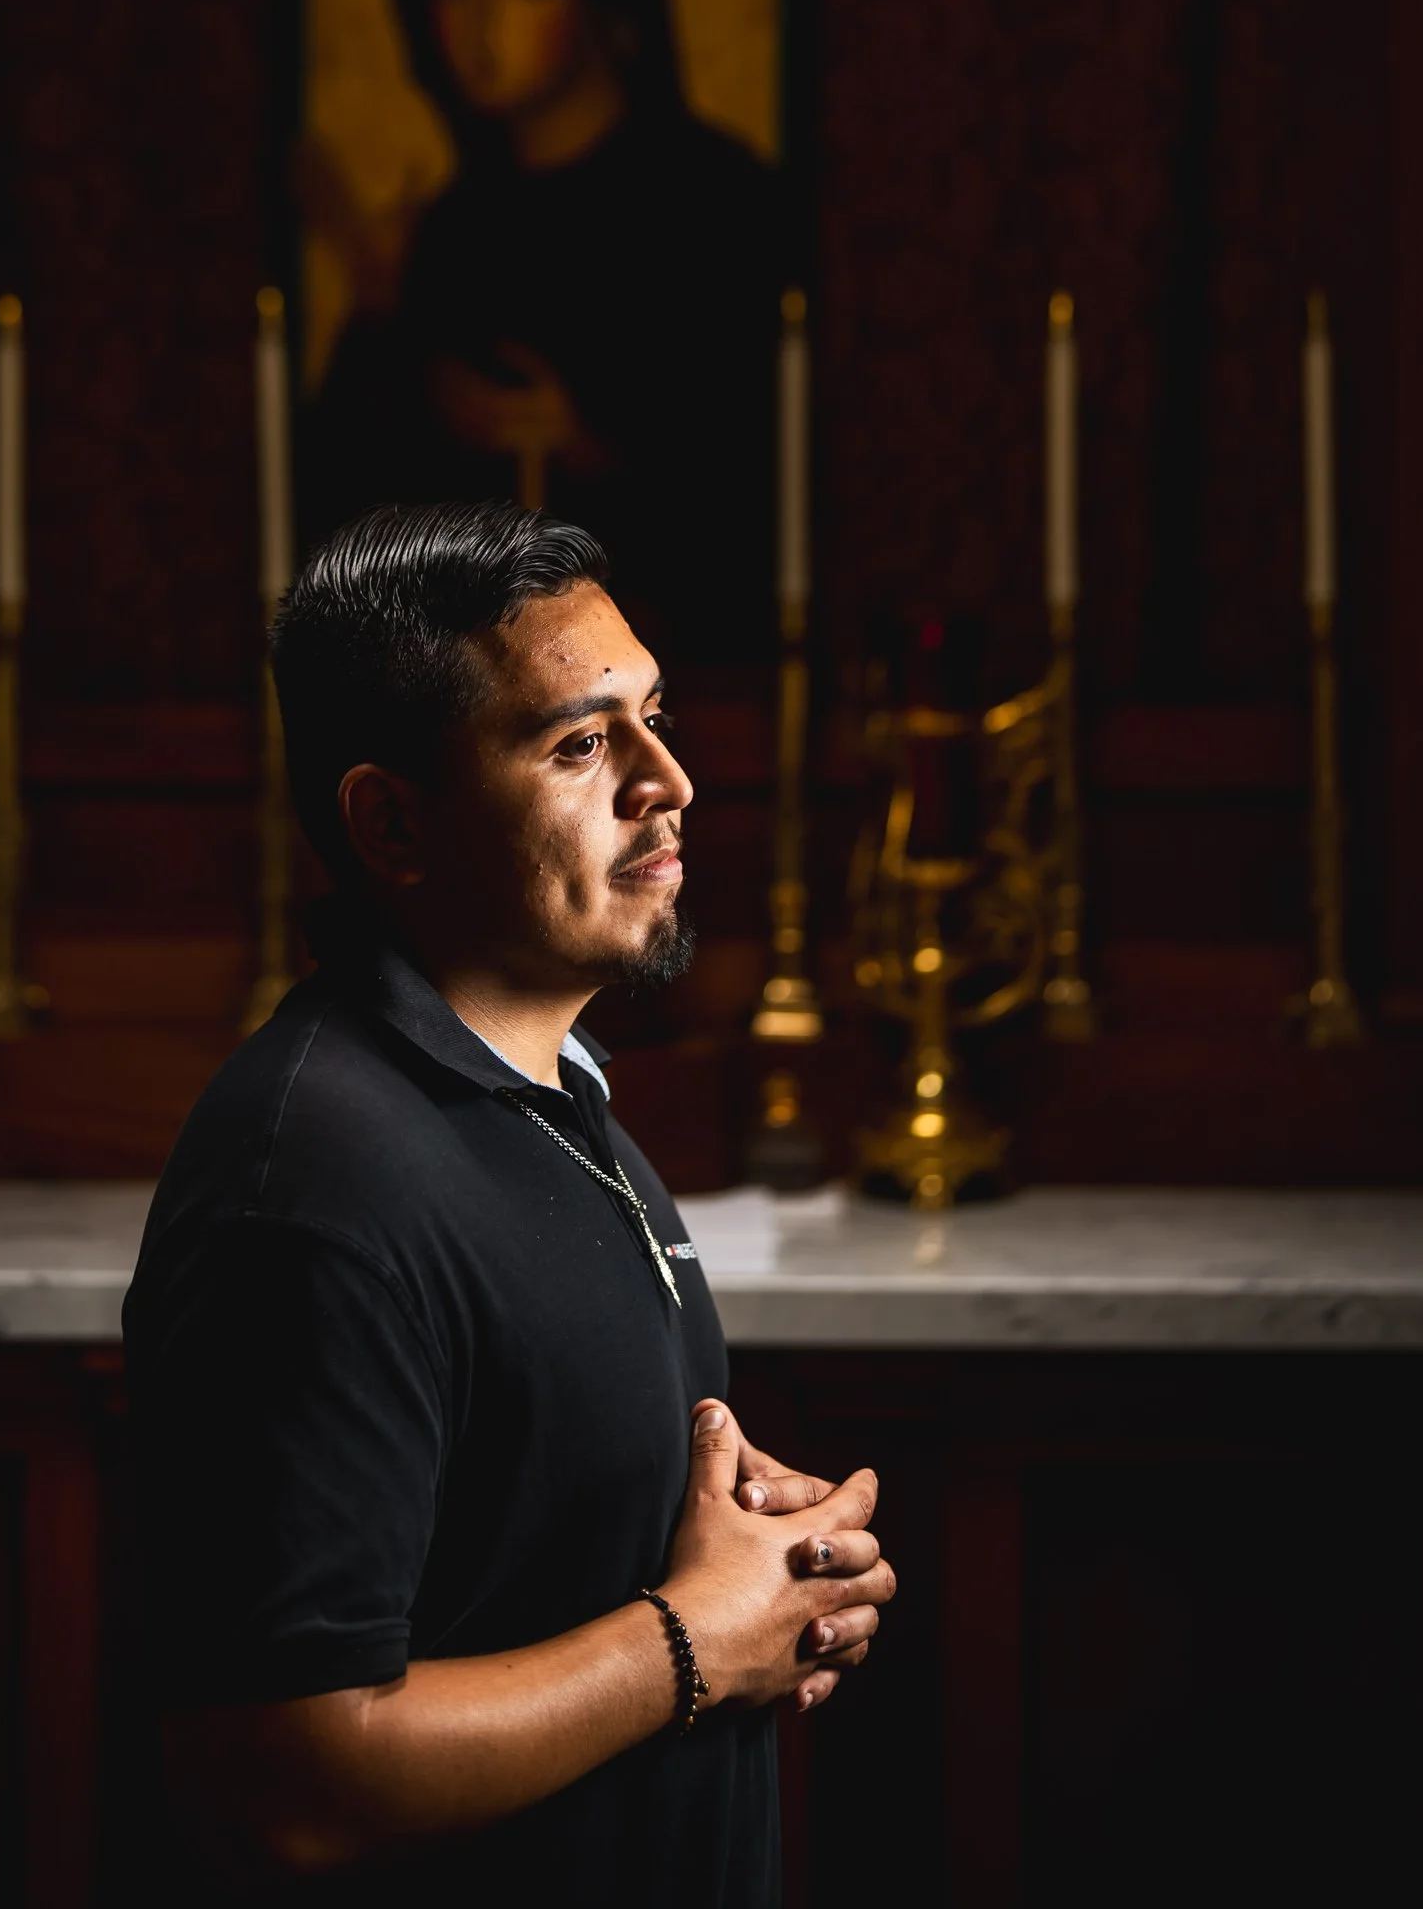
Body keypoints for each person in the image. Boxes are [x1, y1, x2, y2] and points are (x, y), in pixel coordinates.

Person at [122, 502, 893, 1904]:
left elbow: (519, 1517)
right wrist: (696, 1641)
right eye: (581, 743)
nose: (669, 782)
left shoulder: (552, 1096)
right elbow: (280, 1775)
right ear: (394, 821)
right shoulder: (311, 1191)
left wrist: (771, 1574)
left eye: (656, 718)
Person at [301, 0, 783, 655]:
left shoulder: (713, 202)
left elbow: (758, 472)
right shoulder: (449, 227)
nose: (485, 22)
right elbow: (345, 509)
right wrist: (377, 316)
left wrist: (590, 449)